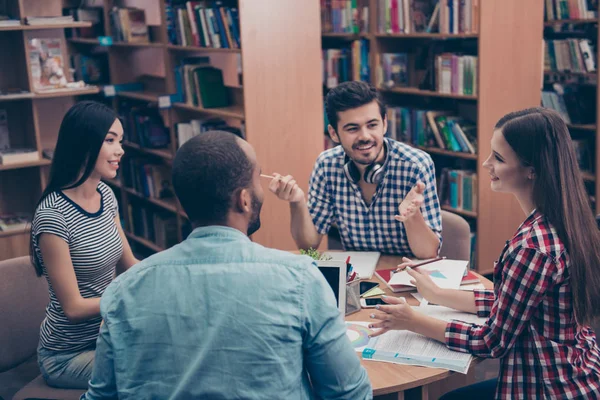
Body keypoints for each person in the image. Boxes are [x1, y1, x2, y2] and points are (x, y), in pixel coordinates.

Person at [81, 130, 372, 400]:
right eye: (257, 179)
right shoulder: (300, 278)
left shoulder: (124, 289)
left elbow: (100, 396)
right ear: (244, 200)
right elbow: (349, 393)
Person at [369, 107, 600, 399]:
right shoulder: (560, 219)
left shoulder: (533, 247)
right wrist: (437, 293)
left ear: (532, 170)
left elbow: (493, 342)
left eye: (499, 158)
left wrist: (413, 321)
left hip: (548, 386)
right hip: (576, 370)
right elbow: (516, 301)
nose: (486, 164)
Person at [30, 101, 139, 389]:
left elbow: (130, 266)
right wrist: (126, 301)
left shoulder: (105, 194)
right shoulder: (53, 216)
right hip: (67, 356)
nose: (120, 150)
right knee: (152, 368)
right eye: (110, 140)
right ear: (84, 143)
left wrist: (175, 268)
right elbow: (74, 308)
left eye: (121, 141)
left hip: (108, 336)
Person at [269, 81, 441, 258]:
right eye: (353, 128)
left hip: (406, 276)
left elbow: (429, 253)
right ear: (334, 133)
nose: (365, 136)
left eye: (372, 125)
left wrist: (413, 217)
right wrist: (297, 202)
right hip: (357, 277)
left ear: (385, 124)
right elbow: (308, 246)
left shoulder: (415, 165)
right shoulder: (326, 166)